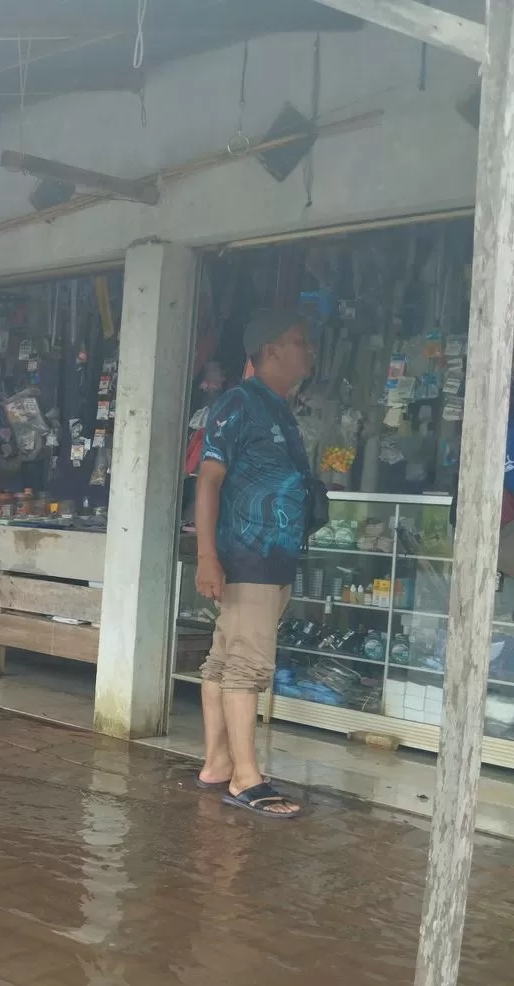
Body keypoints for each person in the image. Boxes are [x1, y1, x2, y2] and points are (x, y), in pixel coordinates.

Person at [193, 309, 316, 818]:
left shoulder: (279, 407)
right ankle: (246, 778)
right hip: (250, 554)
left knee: (225, 660)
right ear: (271, 350)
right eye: (299, 339)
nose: (308, 349)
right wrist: (207, 557)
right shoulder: (240, 403)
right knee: (246, 666)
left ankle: (219, 762)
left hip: (272, 557)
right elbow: (208, 479)